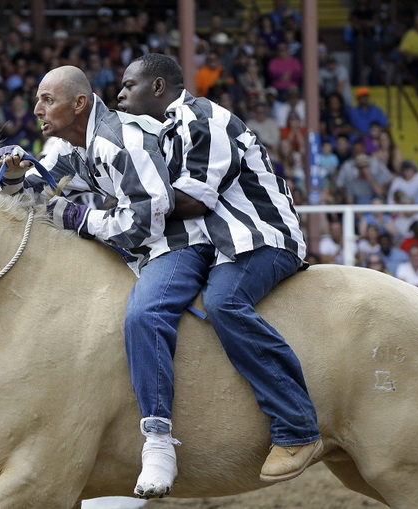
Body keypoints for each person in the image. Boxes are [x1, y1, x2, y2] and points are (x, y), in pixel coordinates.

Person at [0, 65, 212, 498]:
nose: (36, 109)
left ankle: (157, 441)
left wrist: (77, 217)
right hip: (133, 248)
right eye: (37, 100)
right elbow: (28, 198)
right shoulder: (61, 145)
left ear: (78, 104)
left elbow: (146, 221)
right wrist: (13, 174)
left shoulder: (123, 139)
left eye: (46, 100)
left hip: (178, 245)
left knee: (143, 316)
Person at [117, 53, 322, 485]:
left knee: (224, 301)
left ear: (158, 87)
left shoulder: (202, 118)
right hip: (222, 246)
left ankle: (298, 427)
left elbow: (193, 200)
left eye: (129, 84)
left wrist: (125, 213)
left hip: (261, 238)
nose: (119, 93)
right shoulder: (167, 132)